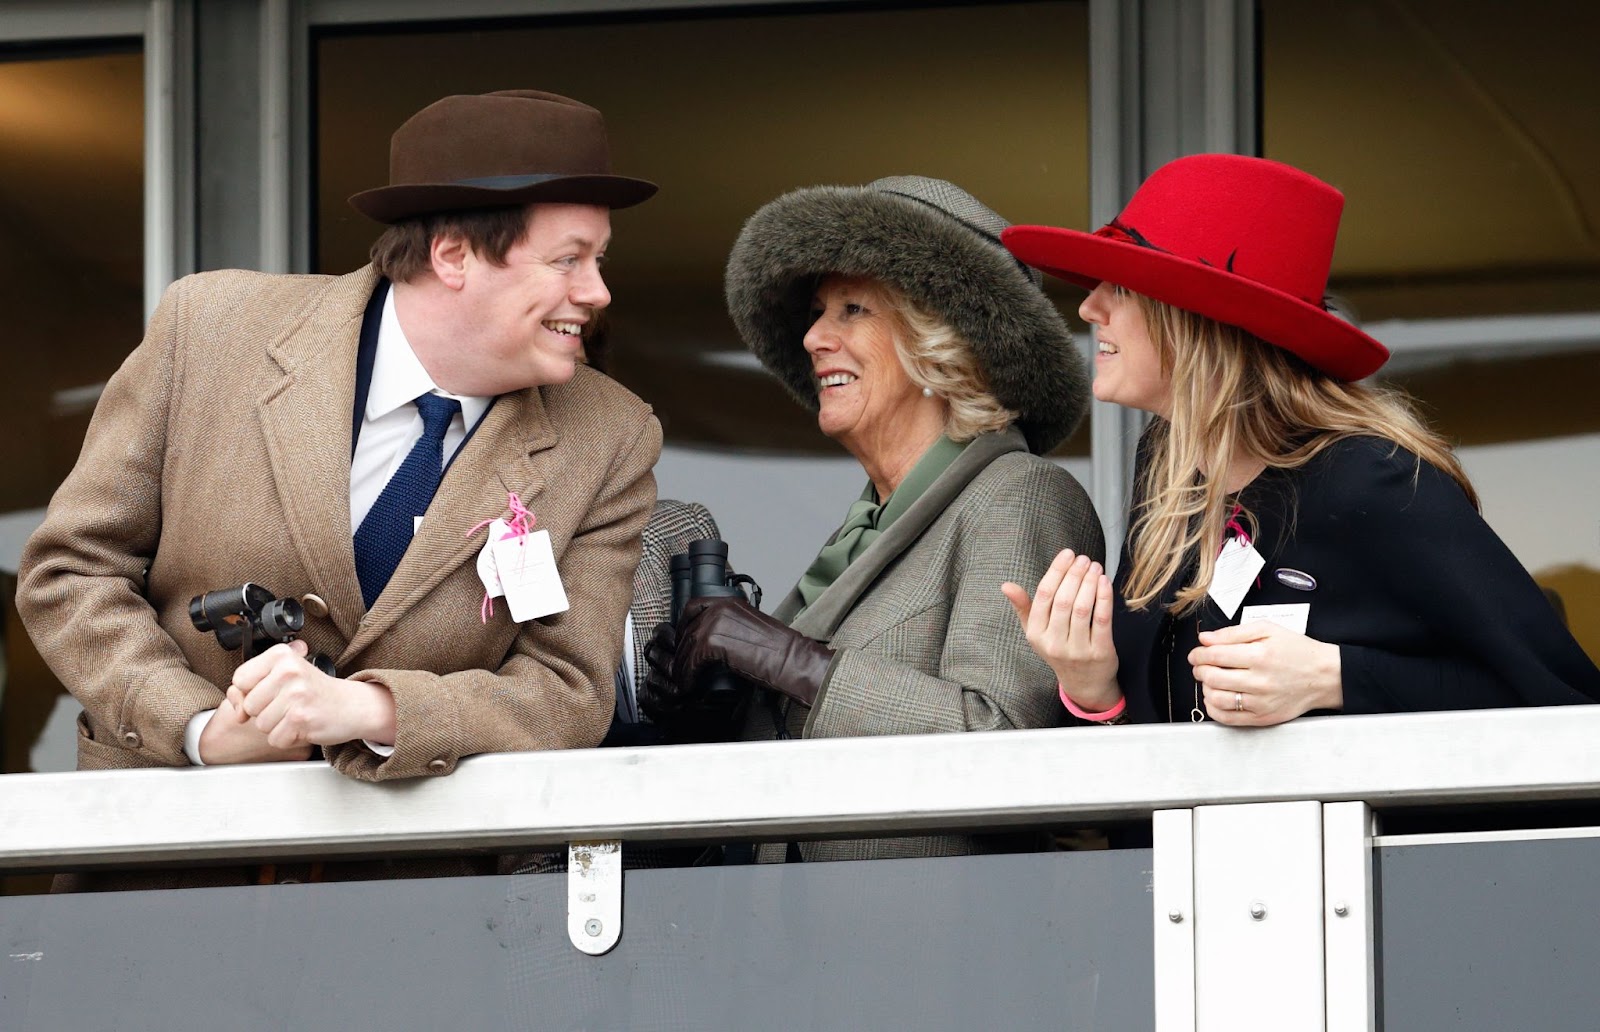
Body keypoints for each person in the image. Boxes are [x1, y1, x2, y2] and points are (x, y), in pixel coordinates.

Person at [17, 90, 663, 790]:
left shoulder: (612, 436)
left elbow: (568, 692)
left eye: (599, 259)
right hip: (165, 867)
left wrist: (373, 709)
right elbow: (72, 571)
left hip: (412, 883)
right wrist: (201, 728)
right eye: (569, 260)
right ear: (454, 255)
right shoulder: (207, 329)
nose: (597, 291)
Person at [999, 153, 1600, 726]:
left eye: (1122, 286)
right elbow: (1167, 745)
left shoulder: (1370, 477)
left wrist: (1335, 678)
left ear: (1201, 320)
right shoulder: (1167, 465)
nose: (1088, 308)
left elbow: (1567, 699)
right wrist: (1091, 686)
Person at [643, 176, 1102, 861]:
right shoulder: (865, 531)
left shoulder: (1019, 494)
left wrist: (787, 659)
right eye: (818, 312)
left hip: (933, 946)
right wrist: (710, 696)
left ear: (940, 343)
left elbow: (1005, 742)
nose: (814, 337)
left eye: (853, 309)